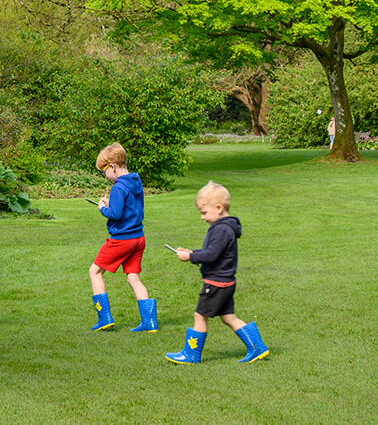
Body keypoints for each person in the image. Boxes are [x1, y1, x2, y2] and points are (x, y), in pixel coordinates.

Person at [166, 181, 269, 364]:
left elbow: (212, 255)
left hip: (216, 283)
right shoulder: (226, 228)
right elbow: (214, 251)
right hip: (226, 282)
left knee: (200, 315)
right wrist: (192, 252)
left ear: (218, 208)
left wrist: (190, 258)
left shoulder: (221, 229)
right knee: (229, 317)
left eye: (204, 212)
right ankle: (257, 347)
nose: (202, 217)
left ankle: (191, 354)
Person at [88, 142, 157, 333]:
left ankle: (104, 318)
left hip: (122, 239)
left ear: (112, 167)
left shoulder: (118, 187)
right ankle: (149, 322)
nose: (105, 177)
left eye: (104, 172)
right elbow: (129, 207)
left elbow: (115, 215)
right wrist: (112, 203)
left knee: (95, 272)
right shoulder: (135, 181)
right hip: (138, 239)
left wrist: (103, 208)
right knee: (133, 278)